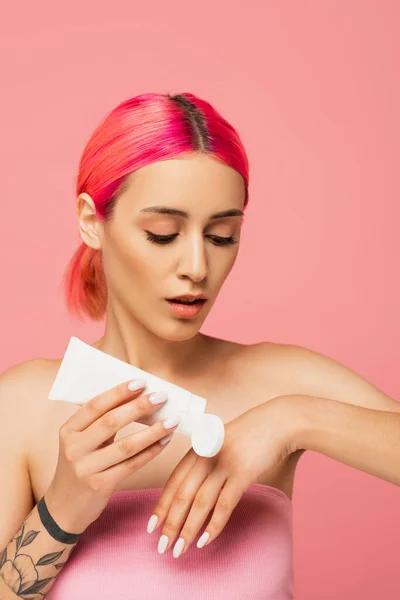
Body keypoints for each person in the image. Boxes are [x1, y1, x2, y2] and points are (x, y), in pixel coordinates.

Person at [0, 92, 399, 600]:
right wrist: (63, 509)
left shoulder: (280, 383)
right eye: (163, 234)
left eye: (221, 236)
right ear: (91, 221)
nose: (197, 266)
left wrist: (295, 419)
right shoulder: (22, 406)